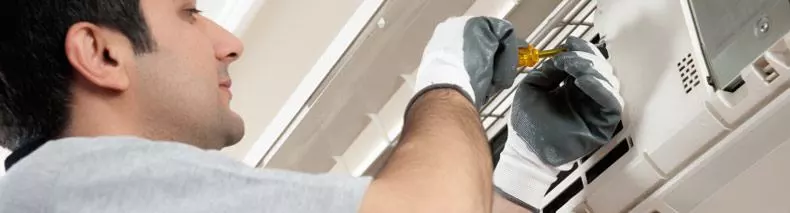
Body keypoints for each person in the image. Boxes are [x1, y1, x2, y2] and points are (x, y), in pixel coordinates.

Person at [0, 0, 621, 212]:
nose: (229, 43)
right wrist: (445, 80)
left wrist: (520, 173)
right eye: (189, 12)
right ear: (101, 55)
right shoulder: (58, 188)